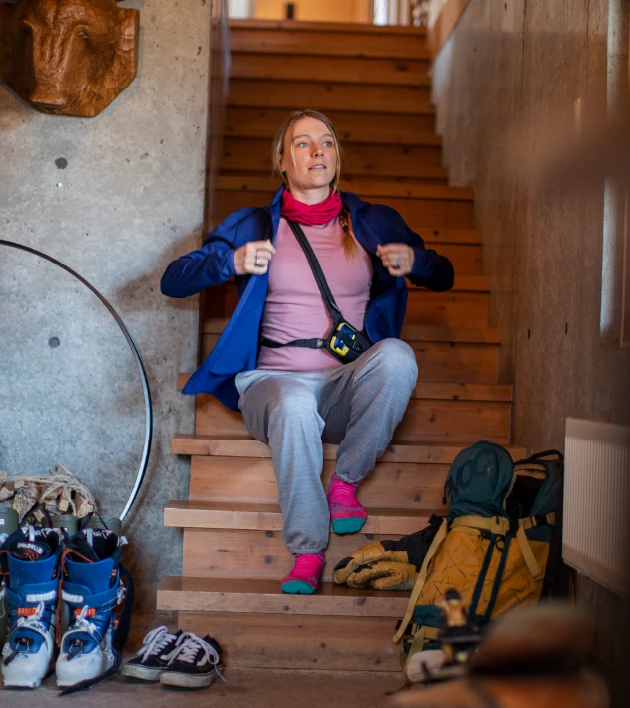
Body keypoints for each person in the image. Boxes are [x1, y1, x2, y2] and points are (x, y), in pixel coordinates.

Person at [161, 109, 454, 595]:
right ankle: (308, 549)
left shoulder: (372, 222)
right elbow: (174, 280)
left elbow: (443, 274)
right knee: (295, 402)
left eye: (327, 141)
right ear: (281, 161)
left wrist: (416, 261)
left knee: (398, 357)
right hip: (272, 386)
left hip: (343, 387)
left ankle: (345, 482)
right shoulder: (253, 225)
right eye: (302, 143)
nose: (318, 150)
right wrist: (230, 260)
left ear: (337, 156)